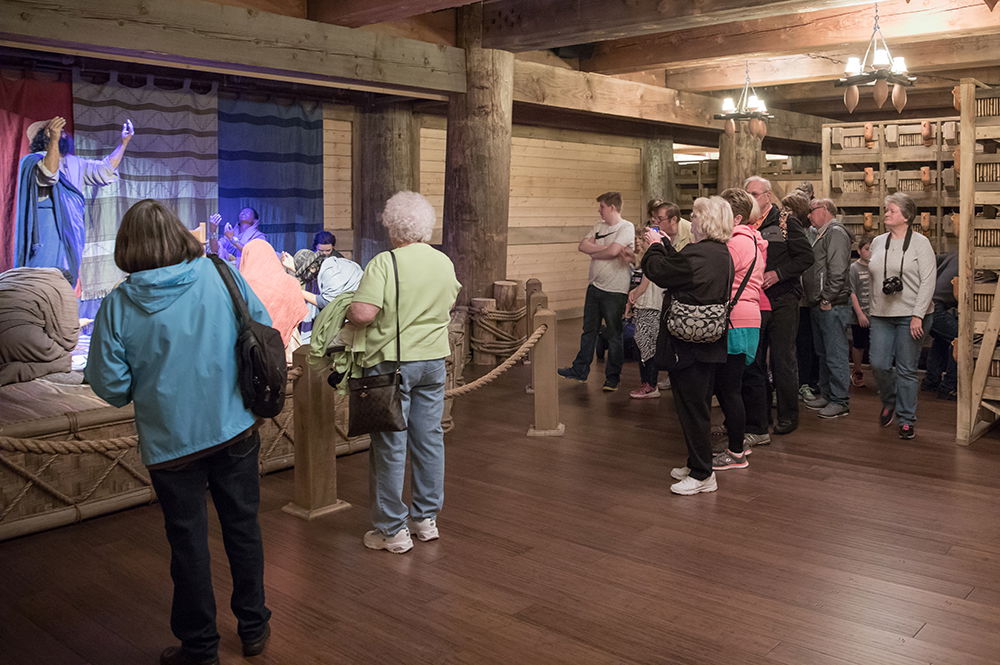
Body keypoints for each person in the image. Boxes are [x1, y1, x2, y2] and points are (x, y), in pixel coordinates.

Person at [85, 200, 272, 665]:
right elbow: (263, 327)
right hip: (234, 427)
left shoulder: (116, 305)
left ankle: (200, 646)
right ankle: (253, 627)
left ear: (127, 247)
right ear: (177, 234)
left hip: (171, 443)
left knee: (187, 544)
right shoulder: (219, 273)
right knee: (243, 529)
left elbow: (110, 388)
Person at [347, 191, 461, 554]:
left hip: (392, 364)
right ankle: (426, 520)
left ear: (392, 228)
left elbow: (363, 314)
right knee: (429, 439)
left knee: (390, 444)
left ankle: (392, 529)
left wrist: (347, 308)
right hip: (433, 361)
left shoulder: (385, 262)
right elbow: (450, 299)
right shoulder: (443, 262)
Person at [642, 196, 734, 495]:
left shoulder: (698, 253)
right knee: (696, 406)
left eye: (695, 216)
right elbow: (681, 269)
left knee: (692, 409)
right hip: (708, 341)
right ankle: (698, 460)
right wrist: (666, 243)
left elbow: (661, 272)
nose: (691, 221)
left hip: (688, 345)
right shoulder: (719, 253)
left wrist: (654, 246)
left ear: (705, 221)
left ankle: (702, 474)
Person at [15, 116, 134, 287]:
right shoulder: (33, 160)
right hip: (47, 227)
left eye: (62, 131)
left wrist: (124, 143)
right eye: (54, 131)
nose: (61, 133)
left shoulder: (75, 162)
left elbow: (105, 170)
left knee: (66, 276)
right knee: (45, 276)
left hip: (72, 228)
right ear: (43, 136)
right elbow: (49, 175)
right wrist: (53, 141)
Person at [744, 176, 815, 435]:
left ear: (767, 196)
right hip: (756, 301)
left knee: (783, 359)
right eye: (747, 193)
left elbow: (806, 257)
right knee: (755, 360)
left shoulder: (786, 222)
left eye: (754, 193)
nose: (750, 197)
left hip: (784, 298)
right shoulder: (746, 224)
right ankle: (760, 416)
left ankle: (788, 415)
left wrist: (779, 273)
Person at [868, 193, 936, 439]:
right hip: (881, 314)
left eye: (892, 210)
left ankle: (907, 419)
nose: (886, 213)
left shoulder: (920, 243)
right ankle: (890, 399)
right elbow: (872, 278)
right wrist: (870, 307)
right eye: (886, 210)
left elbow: (929, 282)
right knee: (878, 363)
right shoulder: (877, 242)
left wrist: (918, 315)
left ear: (906, 216)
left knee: (907, 369)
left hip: (912, 315)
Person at [558, 192, 636, 391]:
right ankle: (580, 370)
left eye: (601, 206)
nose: (599, 210)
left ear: (611, 207)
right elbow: (583, 246)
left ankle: (612, 378)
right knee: (588, 331)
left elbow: (612, 251)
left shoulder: (626, 227)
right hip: (594, 286)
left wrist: (598, 250)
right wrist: (606, 250)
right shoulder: (599, 226)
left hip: (615, 289)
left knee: (613, 333)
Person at [712, 188, 766, 470]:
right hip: (747, 318)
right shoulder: (753, 240)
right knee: (730, 387)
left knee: (729, 389)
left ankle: (735, 453)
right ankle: (737, 442)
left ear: (735, 217)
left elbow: (716, 275)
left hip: (734, 320)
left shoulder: (736, 243)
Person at [627, 199, 689, 399]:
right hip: (650, 302)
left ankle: (649, 384)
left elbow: (648, 276)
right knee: (645, 342)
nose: (642, 241)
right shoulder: (657, 249)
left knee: (648, 345)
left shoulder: (660, 249)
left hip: (653, 302)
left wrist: (636, 293)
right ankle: (650, 382)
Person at [801, 198, 853, 419]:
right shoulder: (822, 233)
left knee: (835, 353)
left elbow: (838, 269)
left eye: (812, 211)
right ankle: (827, 393)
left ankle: (840, 400)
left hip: (831, 304)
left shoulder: (836, 233)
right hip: (820, 302)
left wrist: (827, 297)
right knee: (823, 353)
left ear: (825, 210)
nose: (809, 216)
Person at [239, 238, 309, 362]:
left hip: (251, 350)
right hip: (285, 352)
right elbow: (299, 314)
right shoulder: (290, 282)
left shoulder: (242, 286)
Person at [922, 250, 959, 400]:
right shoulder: (970, 259)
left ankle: (931, 382)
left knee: (941, 340)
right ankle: (949, 387)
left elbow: (931, 259)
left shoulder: (955, 254)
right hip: (934, 307)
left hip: (925, 303)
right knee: (960, 340)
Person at [849, 233, 875, 388]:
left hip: (875, 314)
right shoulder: (854, 268)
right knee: (859, 343)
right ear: (859, 250)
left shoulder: (876, 267)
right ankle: (857, 371)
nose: (869, 252)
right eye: (866, 249)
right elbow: (851, 292)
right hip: (860, 314)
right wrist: (859, 314)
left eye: (872, 249)